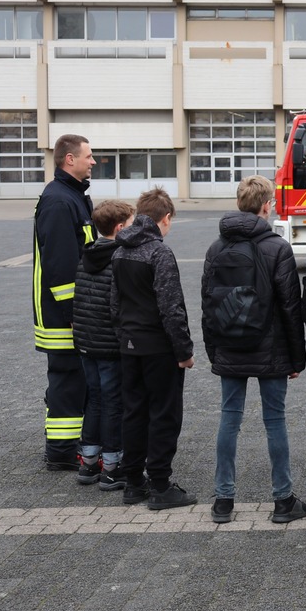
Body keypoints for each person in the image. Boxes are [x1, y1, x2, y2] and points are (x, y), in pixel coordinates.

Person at [203, 176, 306, 524]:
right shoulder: (277, 248)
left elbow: (207, 306)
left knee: (229, 420)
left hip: (229, 345)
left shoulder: (215, 248)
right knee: (275, 421)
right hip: (272, 347)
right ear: (266, 205)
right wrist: (297, 357)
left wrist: (213, 351)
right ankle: (283, 501)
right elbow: (290, 307)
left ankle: (223, 500)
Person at [111, 187, 196, 510]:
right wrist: (183, 351)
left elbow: (114, 305)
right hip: (159, 348)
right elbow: (171, 307)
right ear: (165, 218)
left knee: (134, 412)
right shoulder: (158, 253)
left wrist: (124, 337)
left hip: (130, 346)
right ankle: (160, 485)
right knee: (164, 415)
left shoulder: (119, 252)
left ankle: (133, 482)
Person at [33, 134, 98, 470]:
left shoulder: (72, 197)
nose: (93, 161)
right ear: (69, 160)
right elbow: (60, 268)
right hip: (63, 316)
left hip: (72, 312)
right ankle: (60, 453)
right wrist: (75, 314)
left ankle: (71, 445)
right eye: (88, 155)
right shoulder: (60, 202)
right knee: (67, 381)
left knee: (75, 380)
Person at [72, 199, 134, 490]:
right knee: (113, 403)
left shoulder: (86, 257)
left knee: (94, 400)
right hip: (110, 346)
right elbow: (118, 308)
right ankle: (111, 466)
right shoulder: (119, 259)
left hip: (87, 344)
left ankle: (88, 462)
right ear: (120, 228)